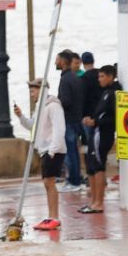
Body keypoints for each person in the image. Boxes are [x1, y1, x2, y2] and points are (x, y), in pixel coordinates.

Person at [15, 79, 66, 231]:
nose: (31, 94)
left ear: (41, 90)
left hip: (53, 150)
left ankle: (55, 217)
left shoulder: (53, 106)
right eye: (30, 91)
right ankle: (51, 216)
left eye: (33, 91)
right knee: (47, 183)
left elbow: (59, 129)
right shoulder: (40, 108)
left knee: (50, 183)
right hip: (44, 150)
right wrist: (21, 117)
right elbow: (33, 126)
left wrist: (52, 150)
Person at [81, 65, 122, 214]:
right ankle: (93, 202)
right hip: (96, 132)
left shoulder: (115, 93)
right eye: (99, 76)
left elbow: (114, 117)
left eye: (102, 76)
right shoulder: (105, 92)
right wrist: (91, 120)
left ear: (111, 76)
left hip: (103, 134)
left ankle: (99, 203)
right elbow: (101, 113)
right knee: (91, 167)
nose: (99, 79)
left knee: (98, 166)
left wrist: (96, 122)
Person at [55, 50, 85, 193]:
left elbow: (66, 101)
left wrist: (55, 102)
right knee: (74, 151)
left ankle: (73, 181)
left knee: (70, 152)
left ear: (63, 61)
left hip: (69, 120)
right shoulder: (74, 77)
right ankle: (75, 180)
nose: (55, 62)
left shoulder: (66, 79)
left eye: (57, 59)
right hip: (76, 119)